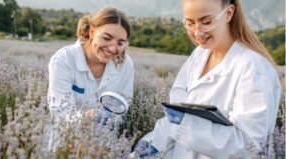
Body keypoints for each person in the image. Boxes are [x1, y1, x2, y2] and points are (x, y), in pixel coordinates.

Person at [132, 0, 281, 158]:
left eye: (206, 22)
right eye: (190, 23)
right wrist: (154, 142)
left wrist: (186, 126)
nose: (197, 33)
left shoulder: (253, 67)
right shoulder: (200, 54)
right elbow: (172, 119)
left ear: (229, 13)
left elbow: (248, 145)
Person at [46, 7, 134, 152]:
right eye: (106, 38)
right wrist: (88, 116)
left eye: (120, 43)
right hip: (65, 144)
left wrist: (111, 118)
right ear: (92, 32)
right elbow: (59, 112)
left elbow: (123, 103)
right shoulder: (63, 60)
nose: (112, 48)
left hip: (104, 147)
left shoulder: (125, 64)